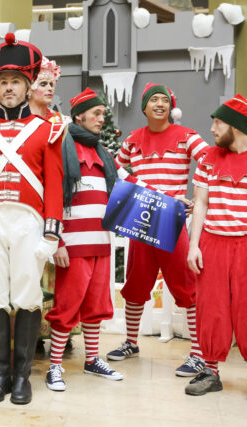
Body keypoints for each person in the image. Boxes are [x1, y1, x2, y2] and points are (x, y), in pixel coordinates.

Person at [0, 33, 66, 404]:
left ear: (27, 87)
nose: (8, 89)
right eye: (2, 82)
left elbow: (54, 181)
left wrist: (50, 233)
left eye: (15, 82)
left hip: (28, 221)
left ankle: (22, 378)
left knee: (26, 294)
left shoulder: (47, 129)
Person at [107, 83, 210, 377]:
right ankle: (130, 342)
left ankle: (199, 354)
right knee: (137, 282)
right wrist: (135, 190)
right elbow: (114, 169)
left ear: (171, 107)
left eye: (165, 100)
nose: (160, 104)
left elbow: (208, 161)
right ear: (144, 107)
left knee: (185, 284)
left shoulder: (187, 135)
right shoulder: (132, 139)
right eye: (154, 99)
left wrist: (195, 196)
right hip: (141, 217)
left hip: (172, 220)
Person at [45, 88, 126, 391]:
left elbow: (129, 182)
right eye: (97, 113)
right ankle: (55, 366)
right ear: (80, 114)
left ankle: (92, 359)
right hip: (73, 245)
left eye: (103, 114)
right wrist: (58, 241)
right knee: (66, 307)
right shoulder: (62, 147)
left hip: (100, 244)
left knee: (95, 305)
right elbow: (50, 194)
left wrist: (172, 202)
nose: (101, 118)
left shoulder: (103, 153)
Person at [185, 94, 247, 396]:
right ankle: (210, 371)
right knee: (212, 308)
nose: (212, 128)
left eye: (218, 122)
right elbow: (200, 204)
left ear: (235, 126)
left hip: (245, 244)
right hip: (213, 242)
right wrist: (194, 245)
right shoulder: (209, 158)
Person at [28, 57, 63, 123]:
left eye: (51, 84)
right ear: (29, 89)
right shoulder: (17, 119)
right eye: (43, 84)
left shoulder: (61, 120)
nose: (50, 88)